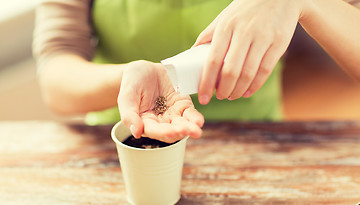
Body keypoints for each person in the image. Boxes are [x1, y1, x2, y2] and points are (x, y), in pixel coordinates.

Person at [33, 0, 360, 143]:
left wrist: (306, 2)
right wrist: (131, 79)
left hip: (255, 141)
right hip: (125, 137)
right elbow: (56, 81)